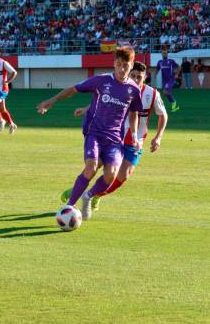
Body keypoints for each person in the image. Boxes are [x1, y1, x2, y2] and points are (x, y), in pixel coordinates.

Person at [36, 46, 142, 220]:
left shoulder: (134, 90)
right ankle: (69, 206)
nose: (122, 69)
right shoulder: (101, 81)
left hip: (115, 141)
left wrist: (135, 136)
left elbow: (134, 113)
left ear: (131, 66)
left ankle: (88, 196)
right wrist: (51, 101)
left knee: (110, 175)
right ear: (114, 63)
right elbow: (73, 89)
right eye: (119, 64)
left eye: (126, 65)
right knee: (91, 168)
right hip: (94, 133)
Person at [64, 61, 169, 217]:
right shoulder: (122, 88)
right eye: (132, 75)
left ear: (145, 77)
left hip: (135, 142)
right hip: (114, 138)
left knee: (121, 177)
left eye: (138, 77)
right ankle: (74, 193)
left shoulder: (152, 94)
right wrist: (86, 109)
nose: (135, 79)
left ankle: (95, 194)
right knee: (95, 166)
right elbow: (103, 101)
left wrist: (158, 137)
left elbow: (163, 115)